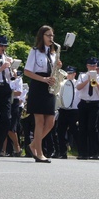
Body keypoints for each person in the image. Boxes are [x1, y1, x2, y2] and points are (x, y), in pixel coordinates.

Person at [23, 25, 61, 163]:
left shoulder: (53, 53)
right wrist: (43, 79)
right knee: (39, 121)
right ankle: (39, 153)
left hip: (49, 87)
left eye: (52, 35)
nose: (51, 38)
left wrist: (57, 67)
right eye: (48, 35)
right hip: (38, 86)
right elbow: (27, 71)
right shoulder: (34, 52)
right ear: (42, 36)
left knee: (50, 121)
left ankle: (33, 145)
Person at [76, 57, 99, 160]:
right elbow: (78, 87)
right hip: (84, 103)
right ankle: (83, 152)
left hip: (94, 103)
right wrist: (87, 80)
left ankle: (96, 151)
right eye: (91, 66)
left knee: (92, 128)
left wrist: (95, 82)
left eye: (94, 66)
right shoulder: (82, 75)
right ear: (87, 66)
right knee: (82, 128)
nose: (93, 67)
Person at [56, 66, 79, 159]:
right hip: (63, 110)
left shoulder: (78, 84)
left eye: (71, 73)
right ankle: (62, 152)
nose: (69, 75)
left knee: (75, 131)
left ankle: (80, 151)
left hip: (74, 110)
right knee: (61, 131)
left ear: (74, 74)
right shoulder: (62, 84)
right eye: (68, 73)